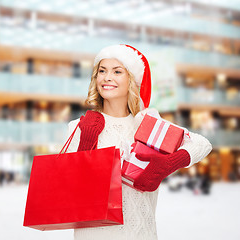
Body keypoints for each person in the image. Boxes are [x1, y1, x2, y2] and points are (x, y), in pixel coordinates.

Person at [67, 44, 212, 240]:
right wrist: (87, 140)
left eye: (117, 71)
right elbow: (73, 188)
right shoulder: (80, 126)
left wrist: (169, 163)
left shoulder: (146, 125)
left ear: (133, 80)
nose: (107, 77)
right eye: (102, 71)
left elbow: (202, 143)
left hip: (141, 233)